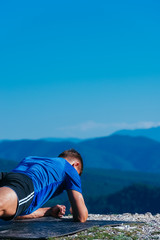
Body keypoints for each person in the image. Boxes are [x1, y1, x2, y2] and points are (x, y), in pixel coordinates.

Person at [0, 149, 88, 222]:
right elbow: (81, 217)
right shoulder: (69, 168)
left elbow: (15, 211)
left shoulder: (33, 159)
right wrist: (76, 206)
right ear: (76, 164)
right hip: (26, 183)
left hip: (7, 177)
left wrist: (48, 211)